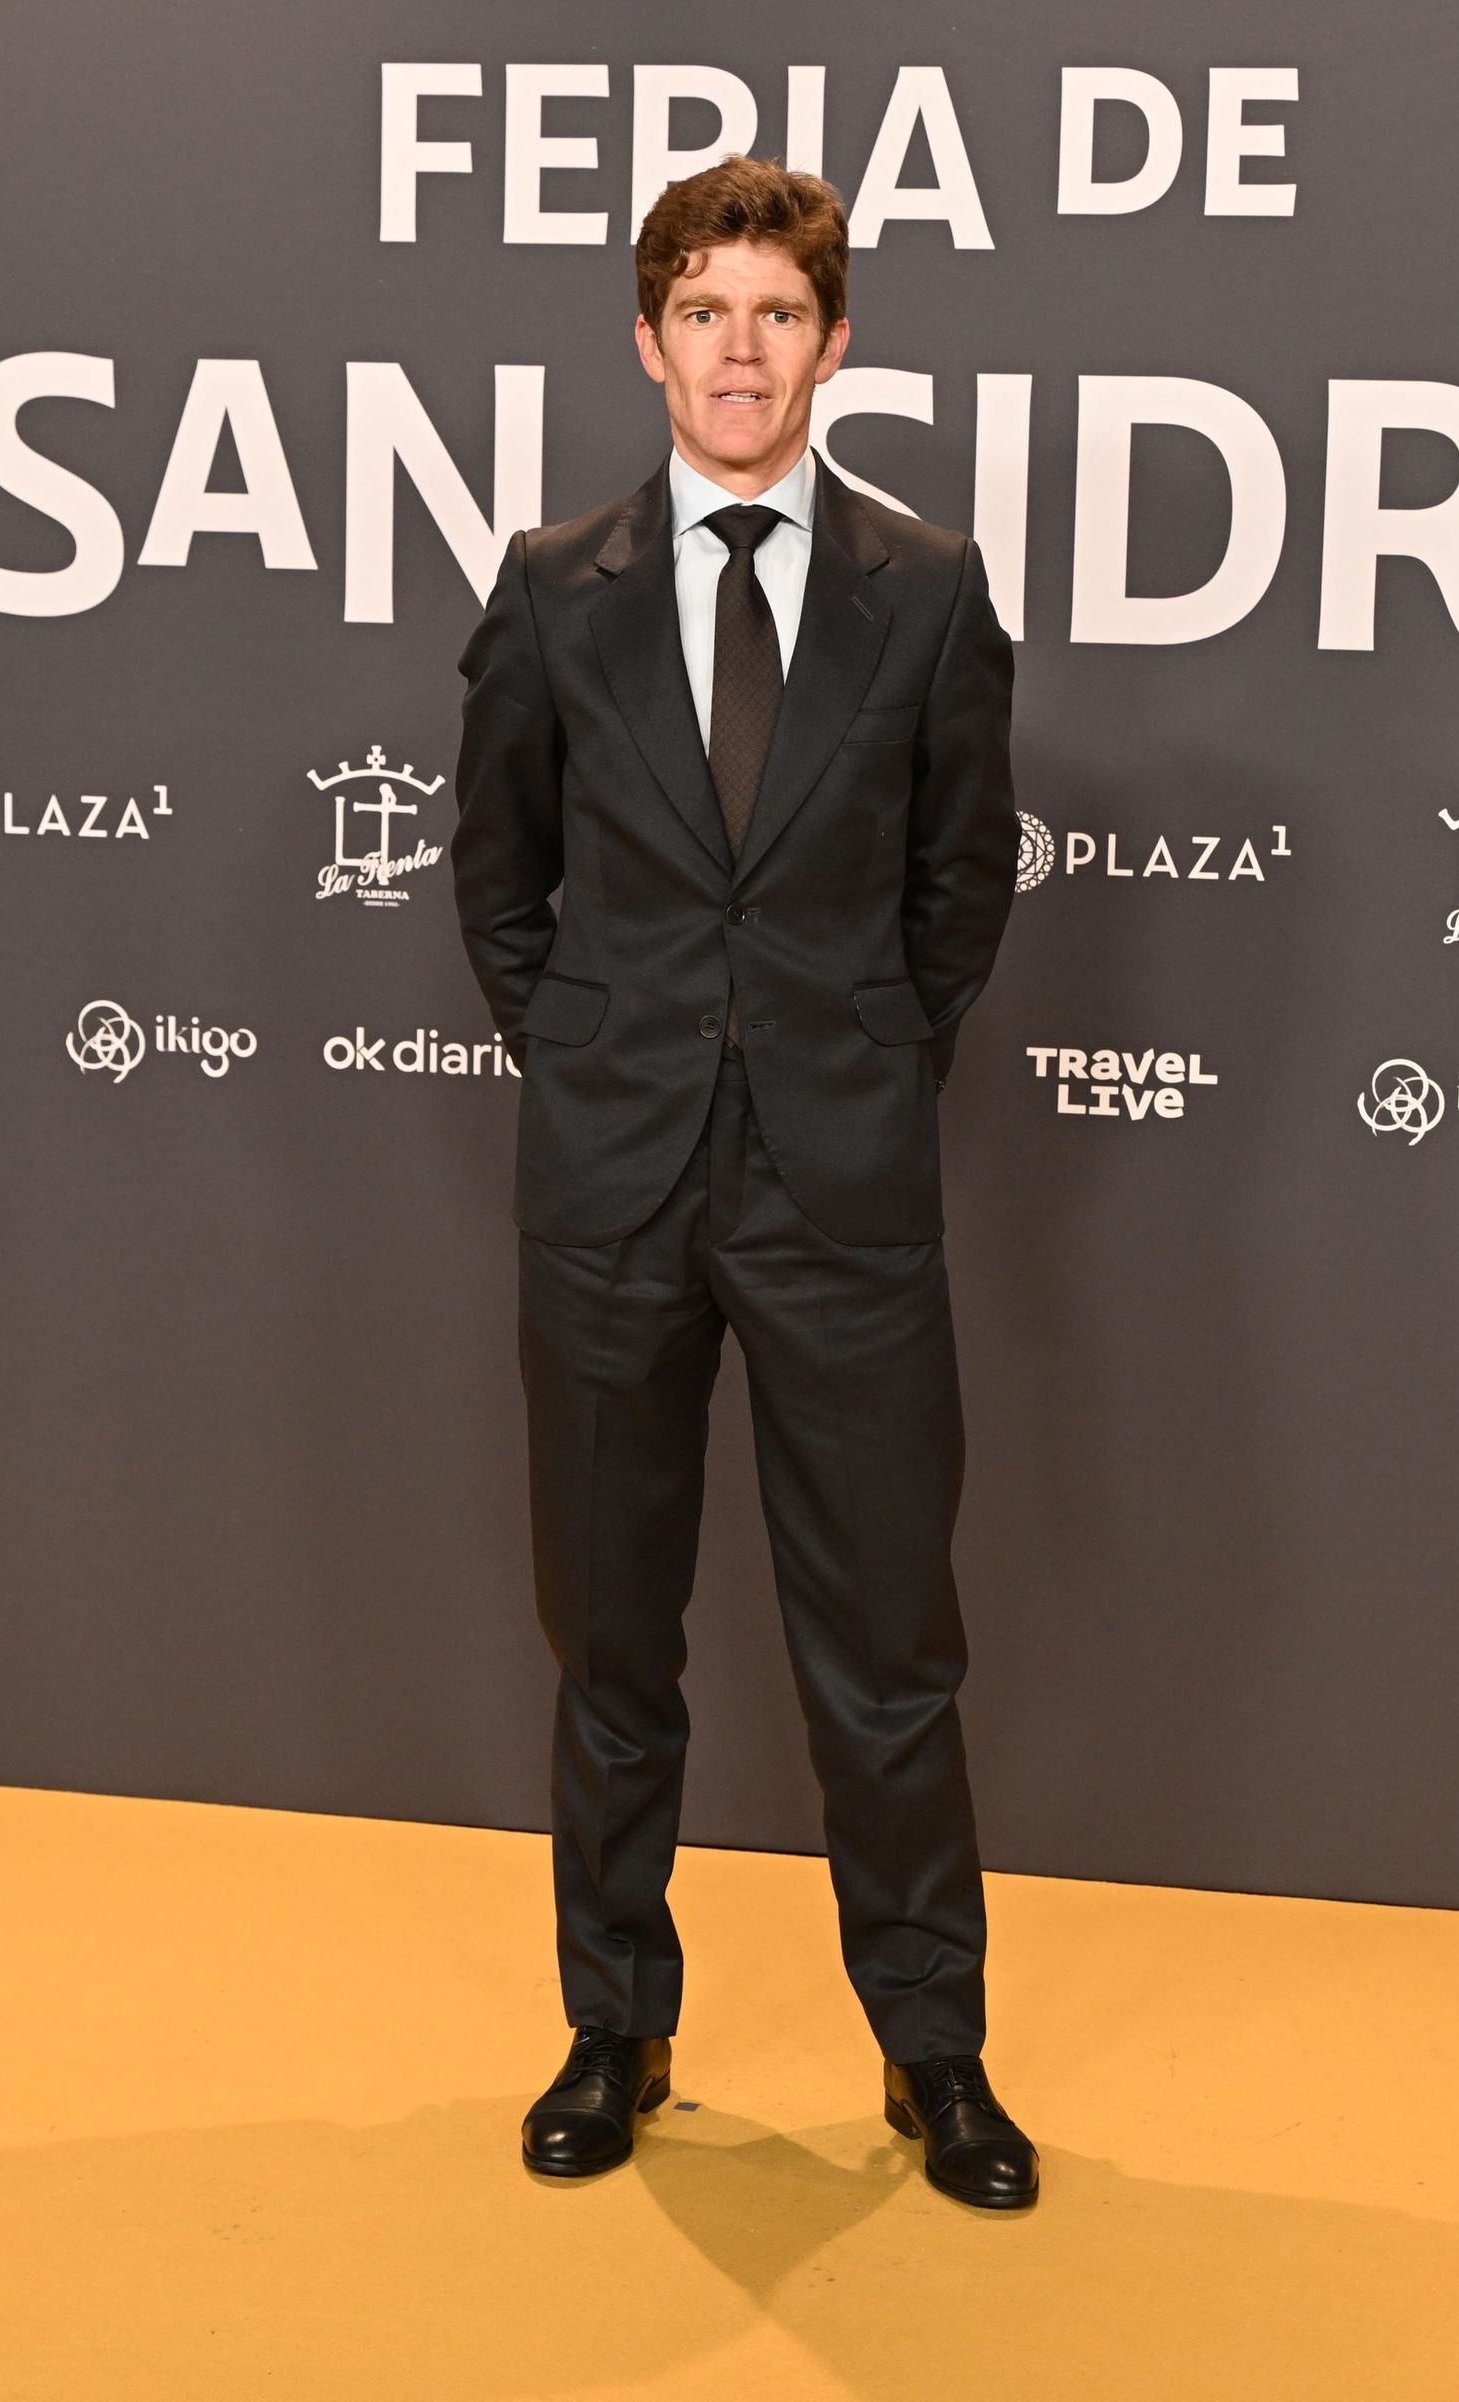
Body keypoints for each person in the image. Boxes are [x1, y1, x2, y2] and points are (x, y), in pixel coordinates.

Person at [451, 154, 1036, 2211]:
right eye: (702, 309)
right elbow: (498, 884)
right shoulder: (555, 585)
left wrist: (857, 1055)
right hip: (609, 1189)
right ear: (648, 340)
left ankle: (933, 2049)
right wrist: (602, 1053)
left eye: (777, 312)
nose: (738, 347)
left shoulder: (926, 587)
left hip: (840, 1187)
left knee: (887, 1647)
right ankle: (613, 2025)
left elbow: (961, 883)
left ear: (832, 341)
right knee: (612, 1640)